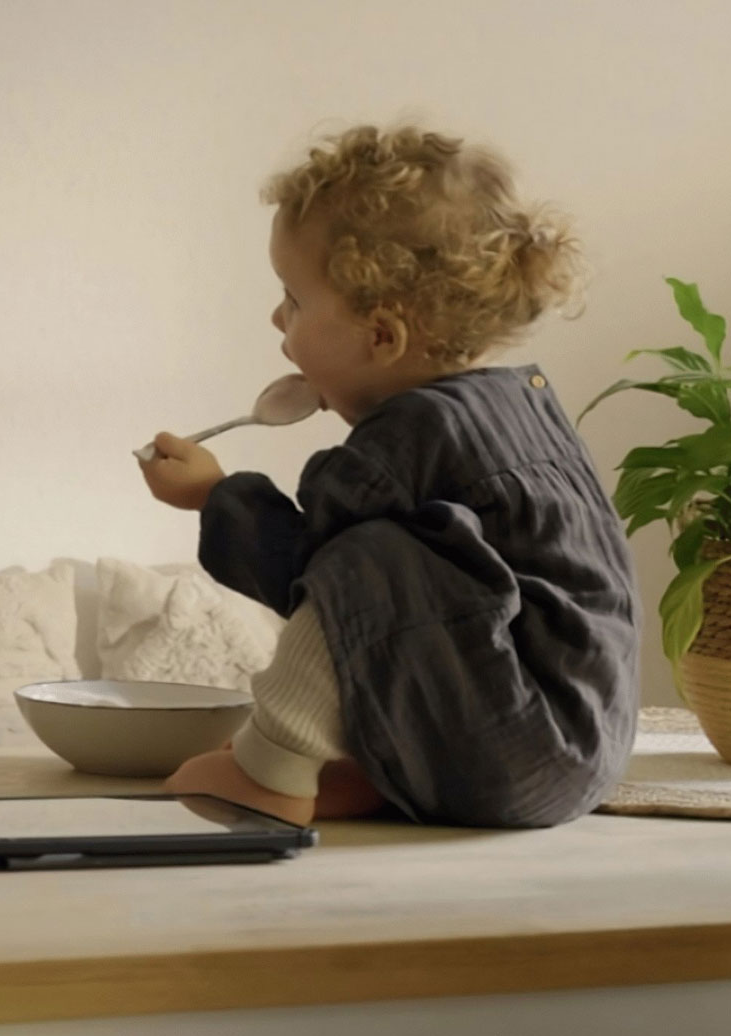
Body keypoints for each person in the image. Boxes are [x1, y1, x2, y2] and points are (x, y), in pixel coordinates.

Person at [138, 124, 638, 828]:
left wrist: (216, 496)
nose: (276, 316)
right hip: (582, 744)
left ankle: (272, 769)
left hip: (519, 746)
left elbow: (308, 570)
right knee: (420, 577)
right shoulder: (527, 409)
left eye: (295, 300)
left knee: (364, 560)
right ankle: (384, 765)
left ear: (382, 336)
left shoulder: (409, 435)